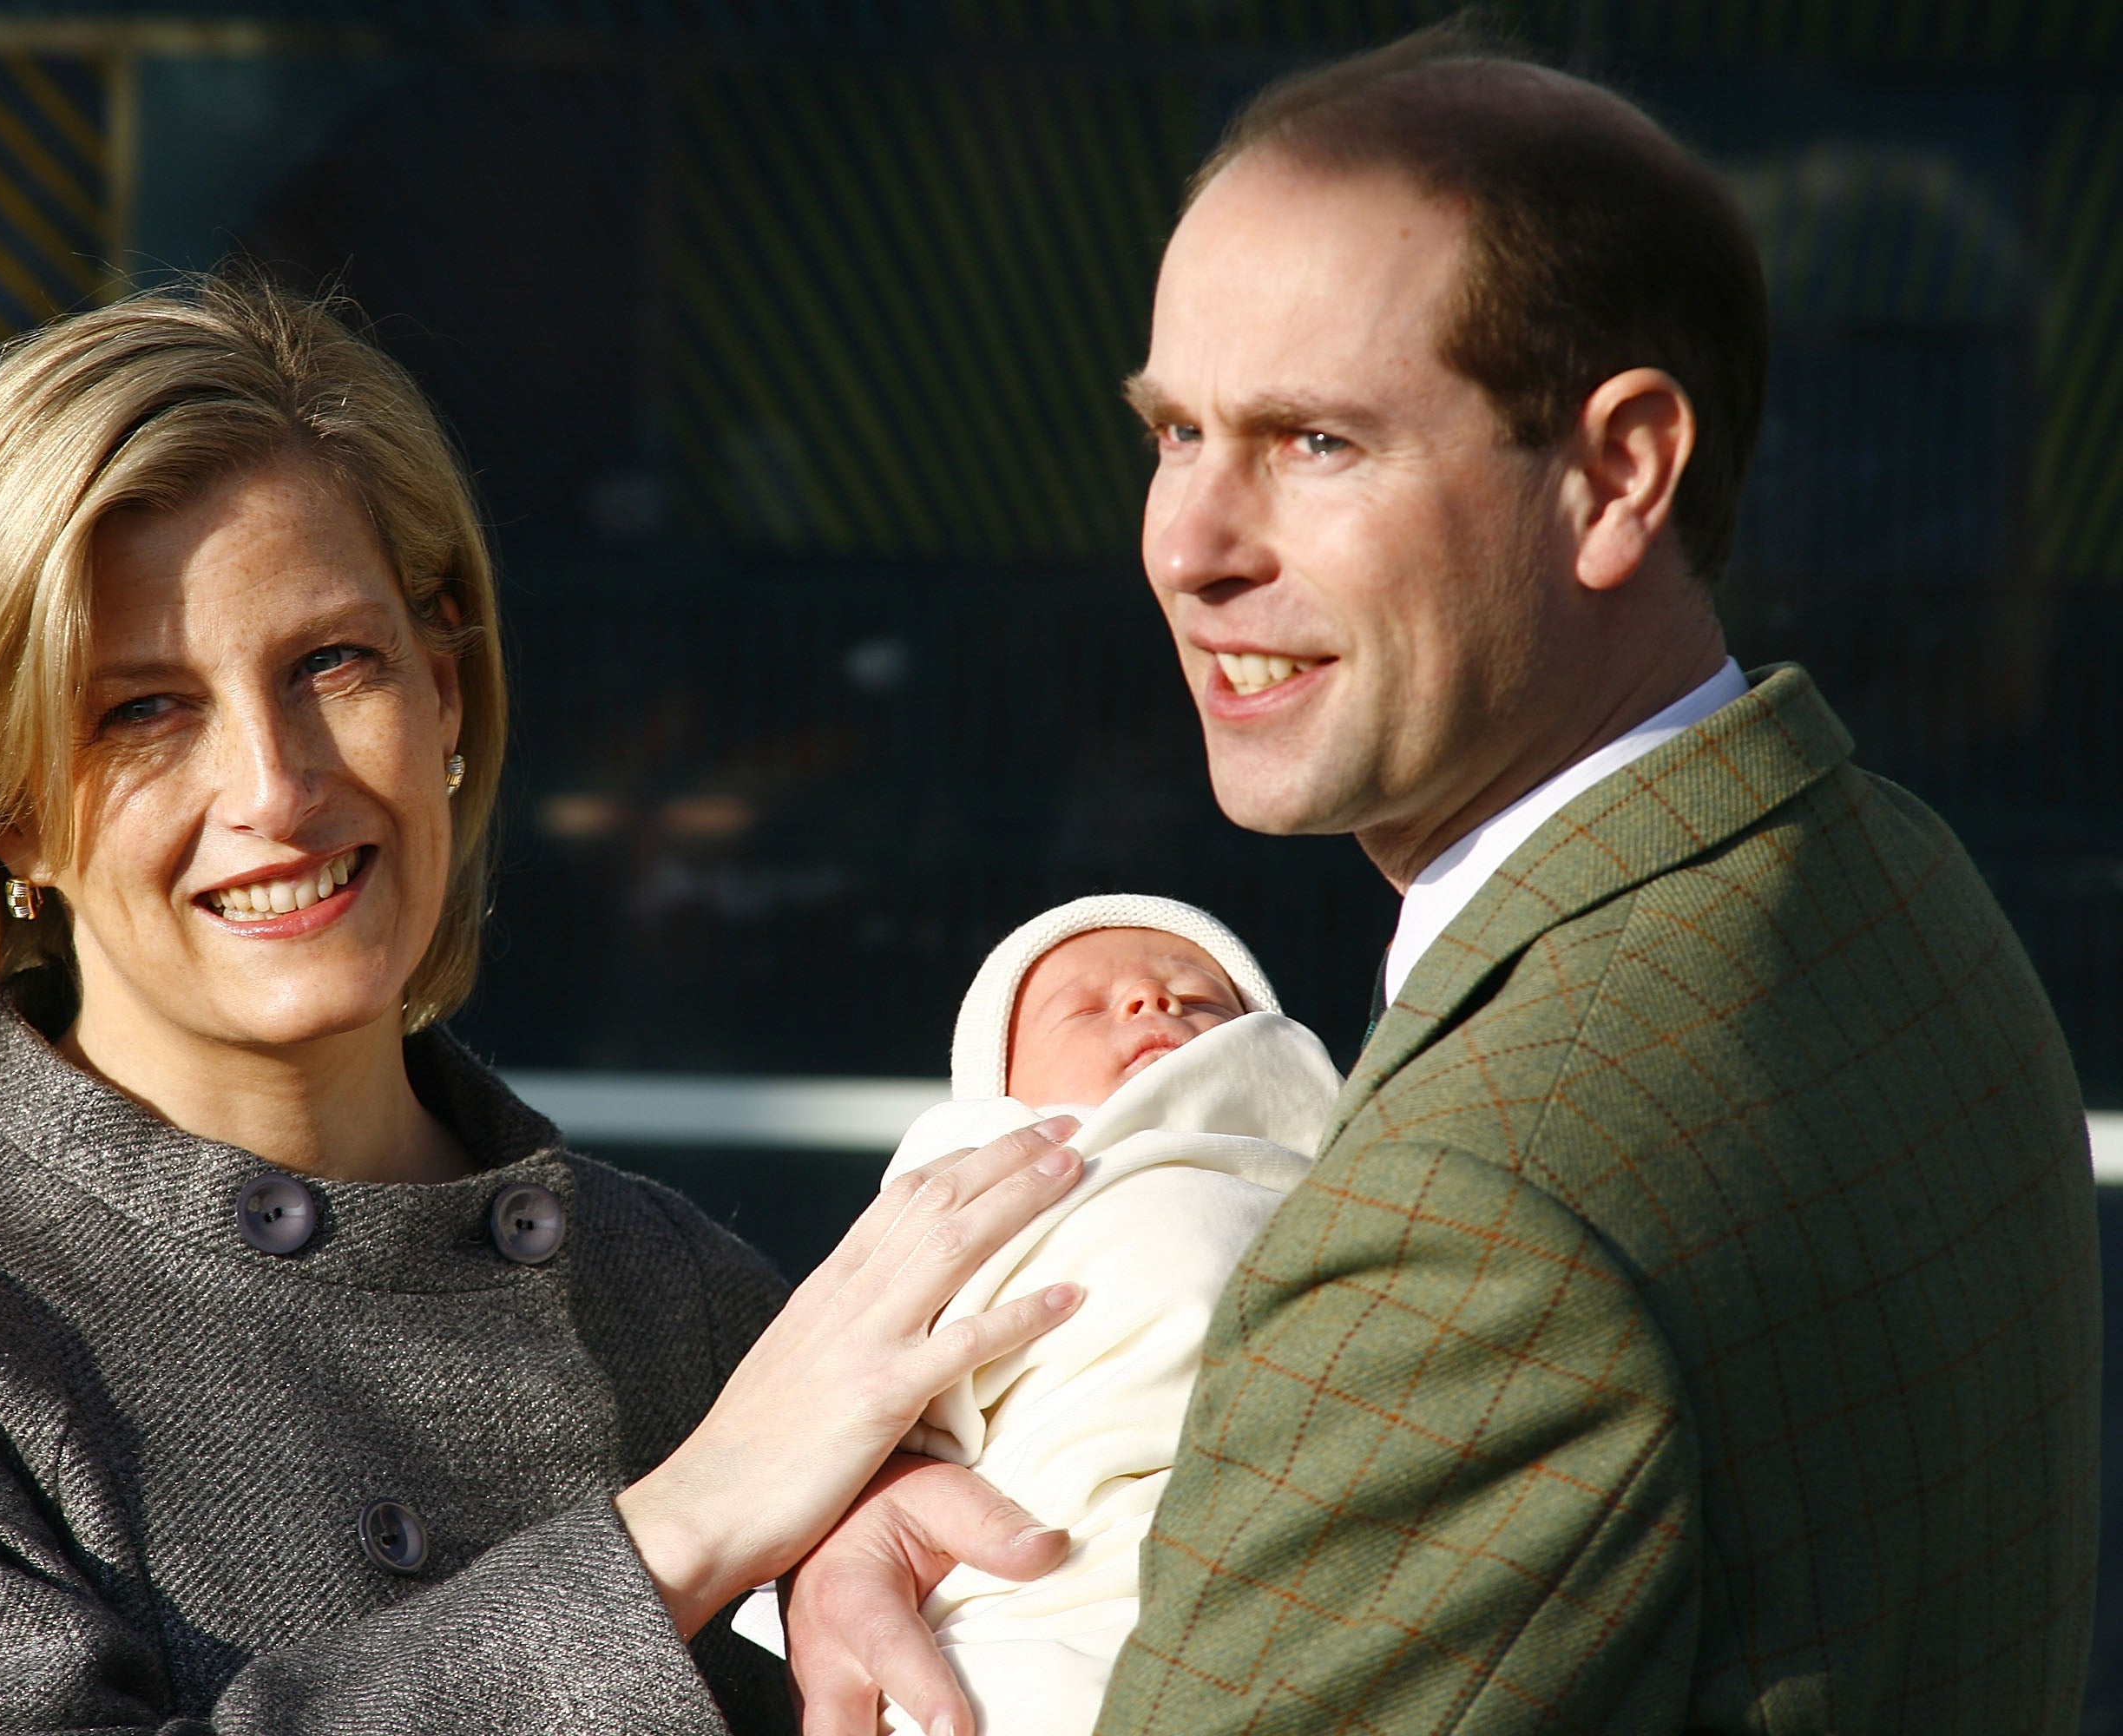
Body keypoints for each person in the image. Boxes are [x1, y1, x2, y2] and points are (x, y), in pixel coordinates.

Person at [787, 27, 2099, 1736]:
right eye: (1174, 432)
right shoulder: (1885, 872)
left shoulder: (1481, 1225)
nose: (1189, 544)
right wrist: (920, 1525)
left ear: (1617, 471)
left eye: (1314, 441)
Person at [0, 276, 1094, 1735]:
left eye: (331, 662)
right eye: (139, 710)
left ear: (444, 690)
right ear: (2, 814)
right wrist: (674, 1545)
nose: (274, 789)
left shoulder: (689, 1298)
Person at [735, 896, 1341, 1736]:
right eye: (1087, 1006)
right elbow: (857, 1414)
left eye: (1200, 998)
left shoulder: (1338, 1190)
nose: (1152, 1002)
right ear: (1001, 1090)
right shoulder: (966, 1213)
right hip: (1055, 1584)